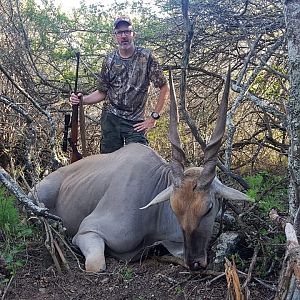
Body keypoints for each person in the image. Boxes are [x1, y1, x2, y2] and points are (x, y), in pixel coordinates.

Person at [70, 15, 169, 154]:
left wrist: (153, 117)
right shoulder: (109, 60)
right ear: (115, 36)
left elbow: (164, 87)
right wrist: (82, 100)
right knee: (109, 165)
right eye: (120, 32)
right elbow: (102, 92)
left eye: (127, 31)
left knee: (137, 161)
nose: (124, 36)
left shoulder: (146, 57)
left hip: (136, 123)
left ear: (133, 34)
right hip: (111, 119)